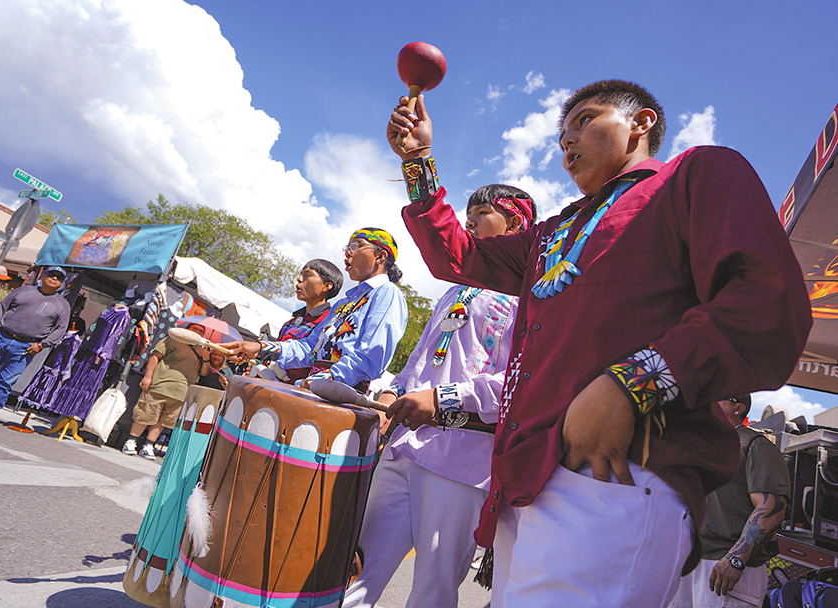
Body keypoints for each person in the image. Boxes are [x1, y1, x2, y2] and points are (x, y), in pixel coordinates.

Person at [388, 80, 812, 607]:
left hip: (620, 475)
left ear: (642, 123)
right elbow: (458, 258)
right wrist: (418, 162)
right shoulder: (555, 232)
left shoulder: (696, 174)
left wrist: (633, 381)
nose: (567, 142)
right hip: (525, 480)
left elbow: (764, 301)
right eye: (560, 135)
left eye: (585, 121)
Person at [342, 184, 534, 608]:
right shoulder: (455, 288)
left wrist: (444, 397)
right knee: (353, 576)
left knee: (432, 593)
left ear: (516, 222)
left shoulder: (531, 294)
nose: (468, 220)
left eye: (481, 213)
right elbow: (419, 361)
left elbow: (520, 378)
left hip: (462, 461)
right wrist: (396, 390)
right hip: (404, 449)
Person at [224, 228, 408, 392]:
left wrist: (316, 382)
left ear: (381, 256)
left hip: (341, 400)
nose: (348, 253)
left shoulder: (387, 293)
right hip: (315, 392)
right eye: (347, 247)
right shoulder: (343, 303)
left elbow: (370, 359)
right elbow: (309, 347)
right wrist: (260, 348)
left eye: (356, 245)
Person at [668, 395, 790, 608]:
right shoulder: (702, 445)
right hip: (691, 562)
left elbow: (771, 510)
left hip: (727, 566)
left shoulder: (756, 445)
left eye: (720, 397)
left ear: (739, 407)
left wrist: (736, 559)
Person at [0, 266, 70, 428]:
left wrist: (42, 345)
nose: (54, 279)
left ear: (62, 283)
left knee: (5, 382)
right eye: (51, 275)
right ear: (43, 276)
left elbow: (60, 330)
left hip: (26, 347)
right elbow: (1, 307)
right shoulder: (23, 291)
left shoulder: (62, 304)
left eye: (59, 277)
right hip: (0, 338)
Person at [122, 323, 210, 460]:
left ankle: (148, 445)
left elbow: (204, 373)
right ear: (186, 330)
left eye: (201, 331)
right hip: (160, 384)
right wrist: (148, 376)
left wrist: (206, 358)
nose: (197, 331)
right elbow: (155, 356)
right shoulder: (172, 339)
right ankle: (131, 441)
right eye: (195, 328)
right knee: (145, 414)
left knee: (163, 421)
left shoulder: (202, 349)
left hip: (182, 392)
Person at [267, 258, 343, 380]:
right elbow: (273, 354)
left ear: (327, 286)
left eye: (307, 275)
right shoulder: (291, 322)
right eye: (301, 274)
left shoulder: (330, 323)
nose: (299, 279)